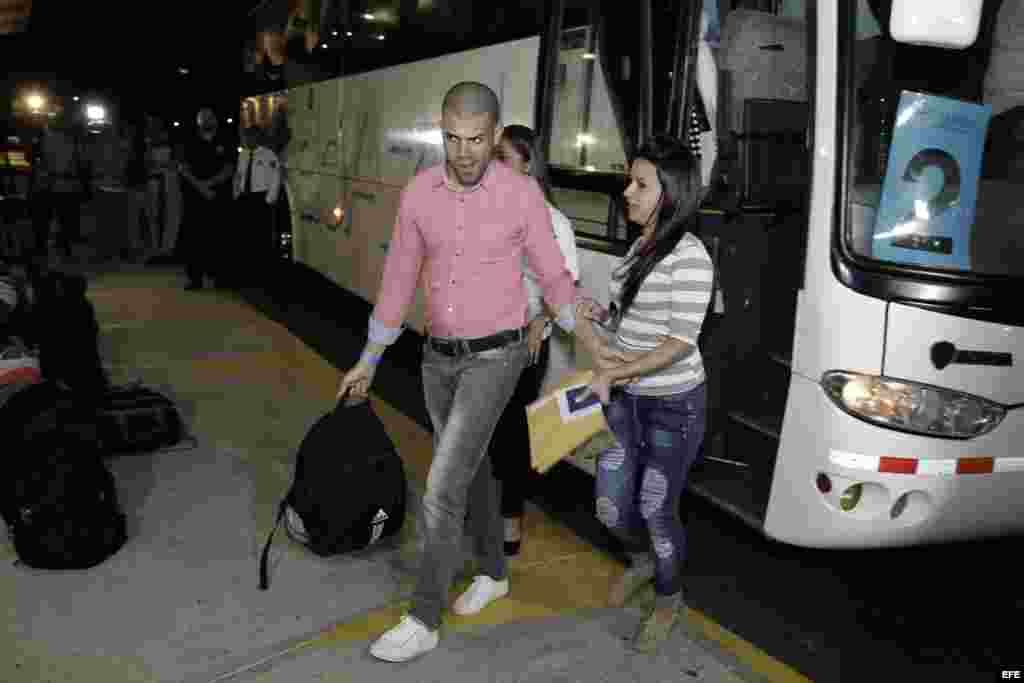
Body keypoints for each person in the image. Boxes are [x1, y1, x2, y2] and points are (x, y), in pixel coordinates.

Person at [336, 81, 577, 663]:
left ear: (495, 138)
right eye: (451, 138)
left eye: (475, 140)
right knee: (469, 473)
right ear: (441, 131)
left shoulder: (520, 196)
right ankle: (494, 571)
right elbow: (397, 281)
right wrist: (369, 357)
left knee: (442, 485)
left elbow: (553, 276)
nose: (463, 151)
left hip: (500, 355)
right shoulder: (420, 193)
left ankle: (423, 616)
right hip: (437, 358)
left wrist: (589, 333)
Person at [575, 135, 713, 653]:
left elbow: (680, 342)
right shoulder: (639, 248)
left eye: (640, 184)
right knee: (610, 506)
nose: (626, 192)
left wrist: (617, 372)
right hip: (625, 400)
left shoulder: (692, 258)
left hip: (673, 406)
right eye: (629, 181)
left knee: (657, 508)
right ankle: (639, 561)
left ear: (671, 192)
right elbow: (632, 320)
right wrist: (602, 317)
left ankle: (668, 595)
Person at [489, 124, 579, 556]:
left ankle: (510, 523)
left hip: (523, 345)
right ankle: (487, 512)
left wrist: (541, 320)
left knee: (510, 436)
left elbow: (562, 291)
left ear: (526, 164)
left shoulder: (554, 223)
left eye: (503, 159)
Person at [177, 108, 235, 290]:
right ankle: (194, 278)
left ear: (215, 121)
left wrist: (209, 184)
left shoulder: (225, 140)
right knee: (194, 238)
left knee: (219, 237)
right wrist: (201, 187)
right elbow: (183, 168)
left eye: (210, 117)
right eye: (203, 118)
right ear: (198, 122)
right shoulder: (189, 141)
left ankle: (220, 277)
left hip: (218, 197)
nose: (207, 120)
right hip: (195, 199)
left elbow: (230, 168)